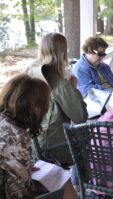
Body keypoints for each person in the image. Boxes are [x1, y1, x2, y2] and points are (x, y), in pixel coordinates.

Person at [0, 74, 77, 199]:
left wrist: (24, 168)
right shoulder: (18, 136)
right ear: (35, 108)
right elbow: (18, 192)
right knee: (63, 180)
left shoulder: (4, 121)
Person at [27, 32, 88, 165]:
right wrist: (74, 89)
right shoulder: (61, 85)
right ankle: (81, 183)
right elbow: (80, 118)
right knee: (90, 140)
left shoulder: (30, 72)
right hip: (54, 149)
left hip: (31, 142)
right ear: (62, 54)